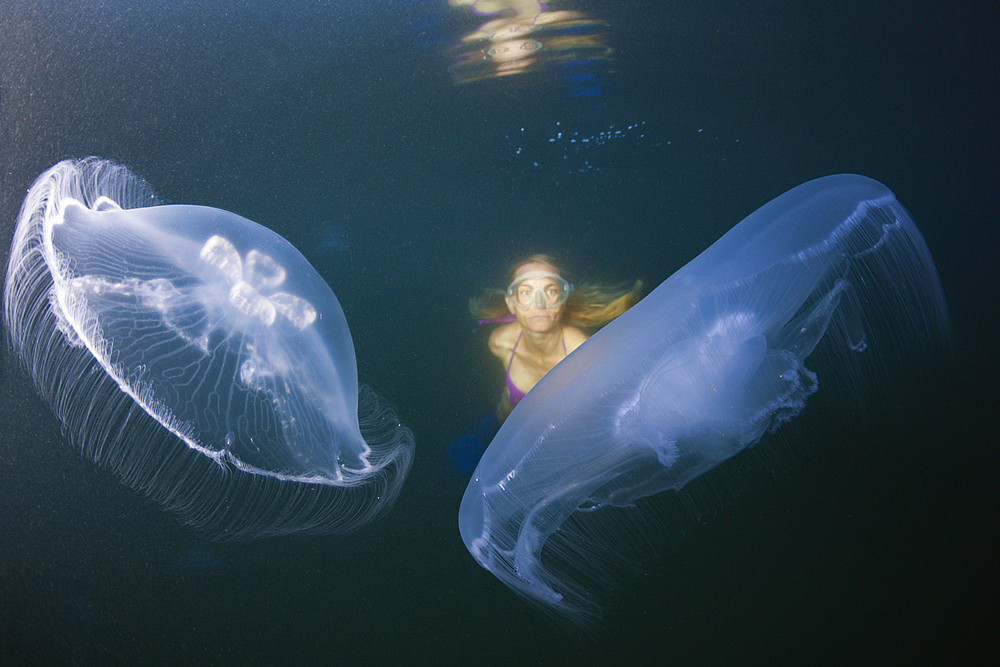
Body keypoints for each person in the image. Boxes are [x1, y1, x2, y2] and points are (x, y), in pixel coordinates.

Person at [449, 254, 641, 475]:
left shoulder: (585, 354)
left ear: (563, 297)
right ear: (511, 304)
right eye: (526, 293)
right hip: (498, 430)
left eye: (550, 291)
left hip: (556, 450)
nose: (539, 304)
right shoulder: (500, 343)